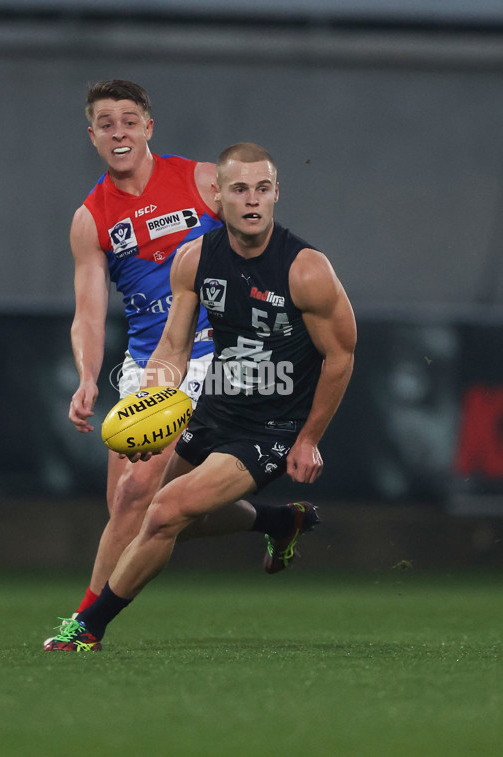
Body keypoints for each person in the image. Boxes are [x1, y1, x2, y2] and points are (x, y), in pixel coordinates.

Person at [44, 142, 357, 652]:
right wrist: (153, 399)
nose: (252, 200)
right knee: (160, 518)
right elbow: (173, 346)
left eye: (262, 189)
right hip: (217, 406)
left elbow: (341, 356)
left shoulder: (305, 270)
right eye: (239, 189)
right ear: (219, 196)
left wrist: (309, 438)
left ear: (277, 193)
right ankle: (282, 519)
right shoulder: (194, 260)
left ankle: (87, 628)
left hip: (273, 425)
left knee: (164, 510)